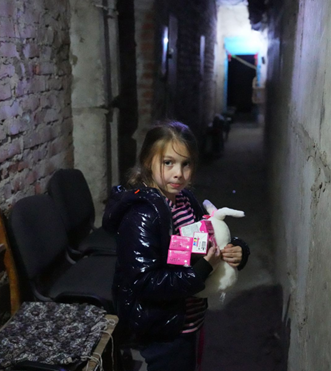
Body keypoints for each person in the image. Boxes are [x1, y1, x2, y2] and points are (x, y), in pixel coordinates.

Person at [102, 120, 250, 371]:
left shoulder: (185, 200)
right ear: (148, 161)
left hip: (190, 317)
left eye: (186, 164)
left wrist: (237, 249)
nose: (178, 173)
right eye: (168, 162)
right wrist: (201, 271)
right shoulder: (143, 214)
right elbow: (145, 282)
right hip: (165, 328)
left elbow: (207, 236)